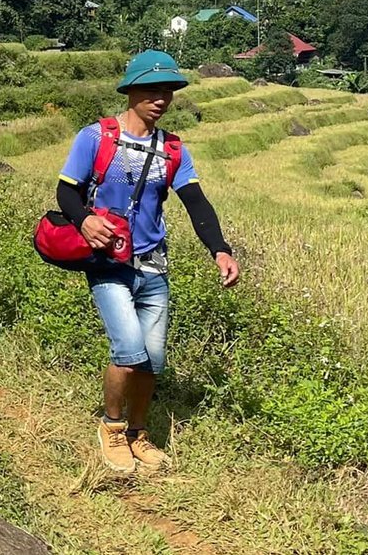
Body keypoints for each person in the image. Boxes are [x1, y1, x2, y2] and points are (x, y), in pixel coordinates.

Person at [54, 50, 240, 474]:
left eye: (169, 91)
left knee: (153, 359)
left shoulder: (172, 149)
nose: (161, 99)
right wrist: (83, 221)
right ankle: (112, 428)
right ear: (131, 91)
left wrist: (220, 249)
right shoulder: (96, 137)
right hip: (108, 262)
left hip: (154, 265)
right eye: (153, 90)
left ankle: (139, 433)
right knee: (128, 351)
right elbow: (66, 191)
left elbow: (197, 203)